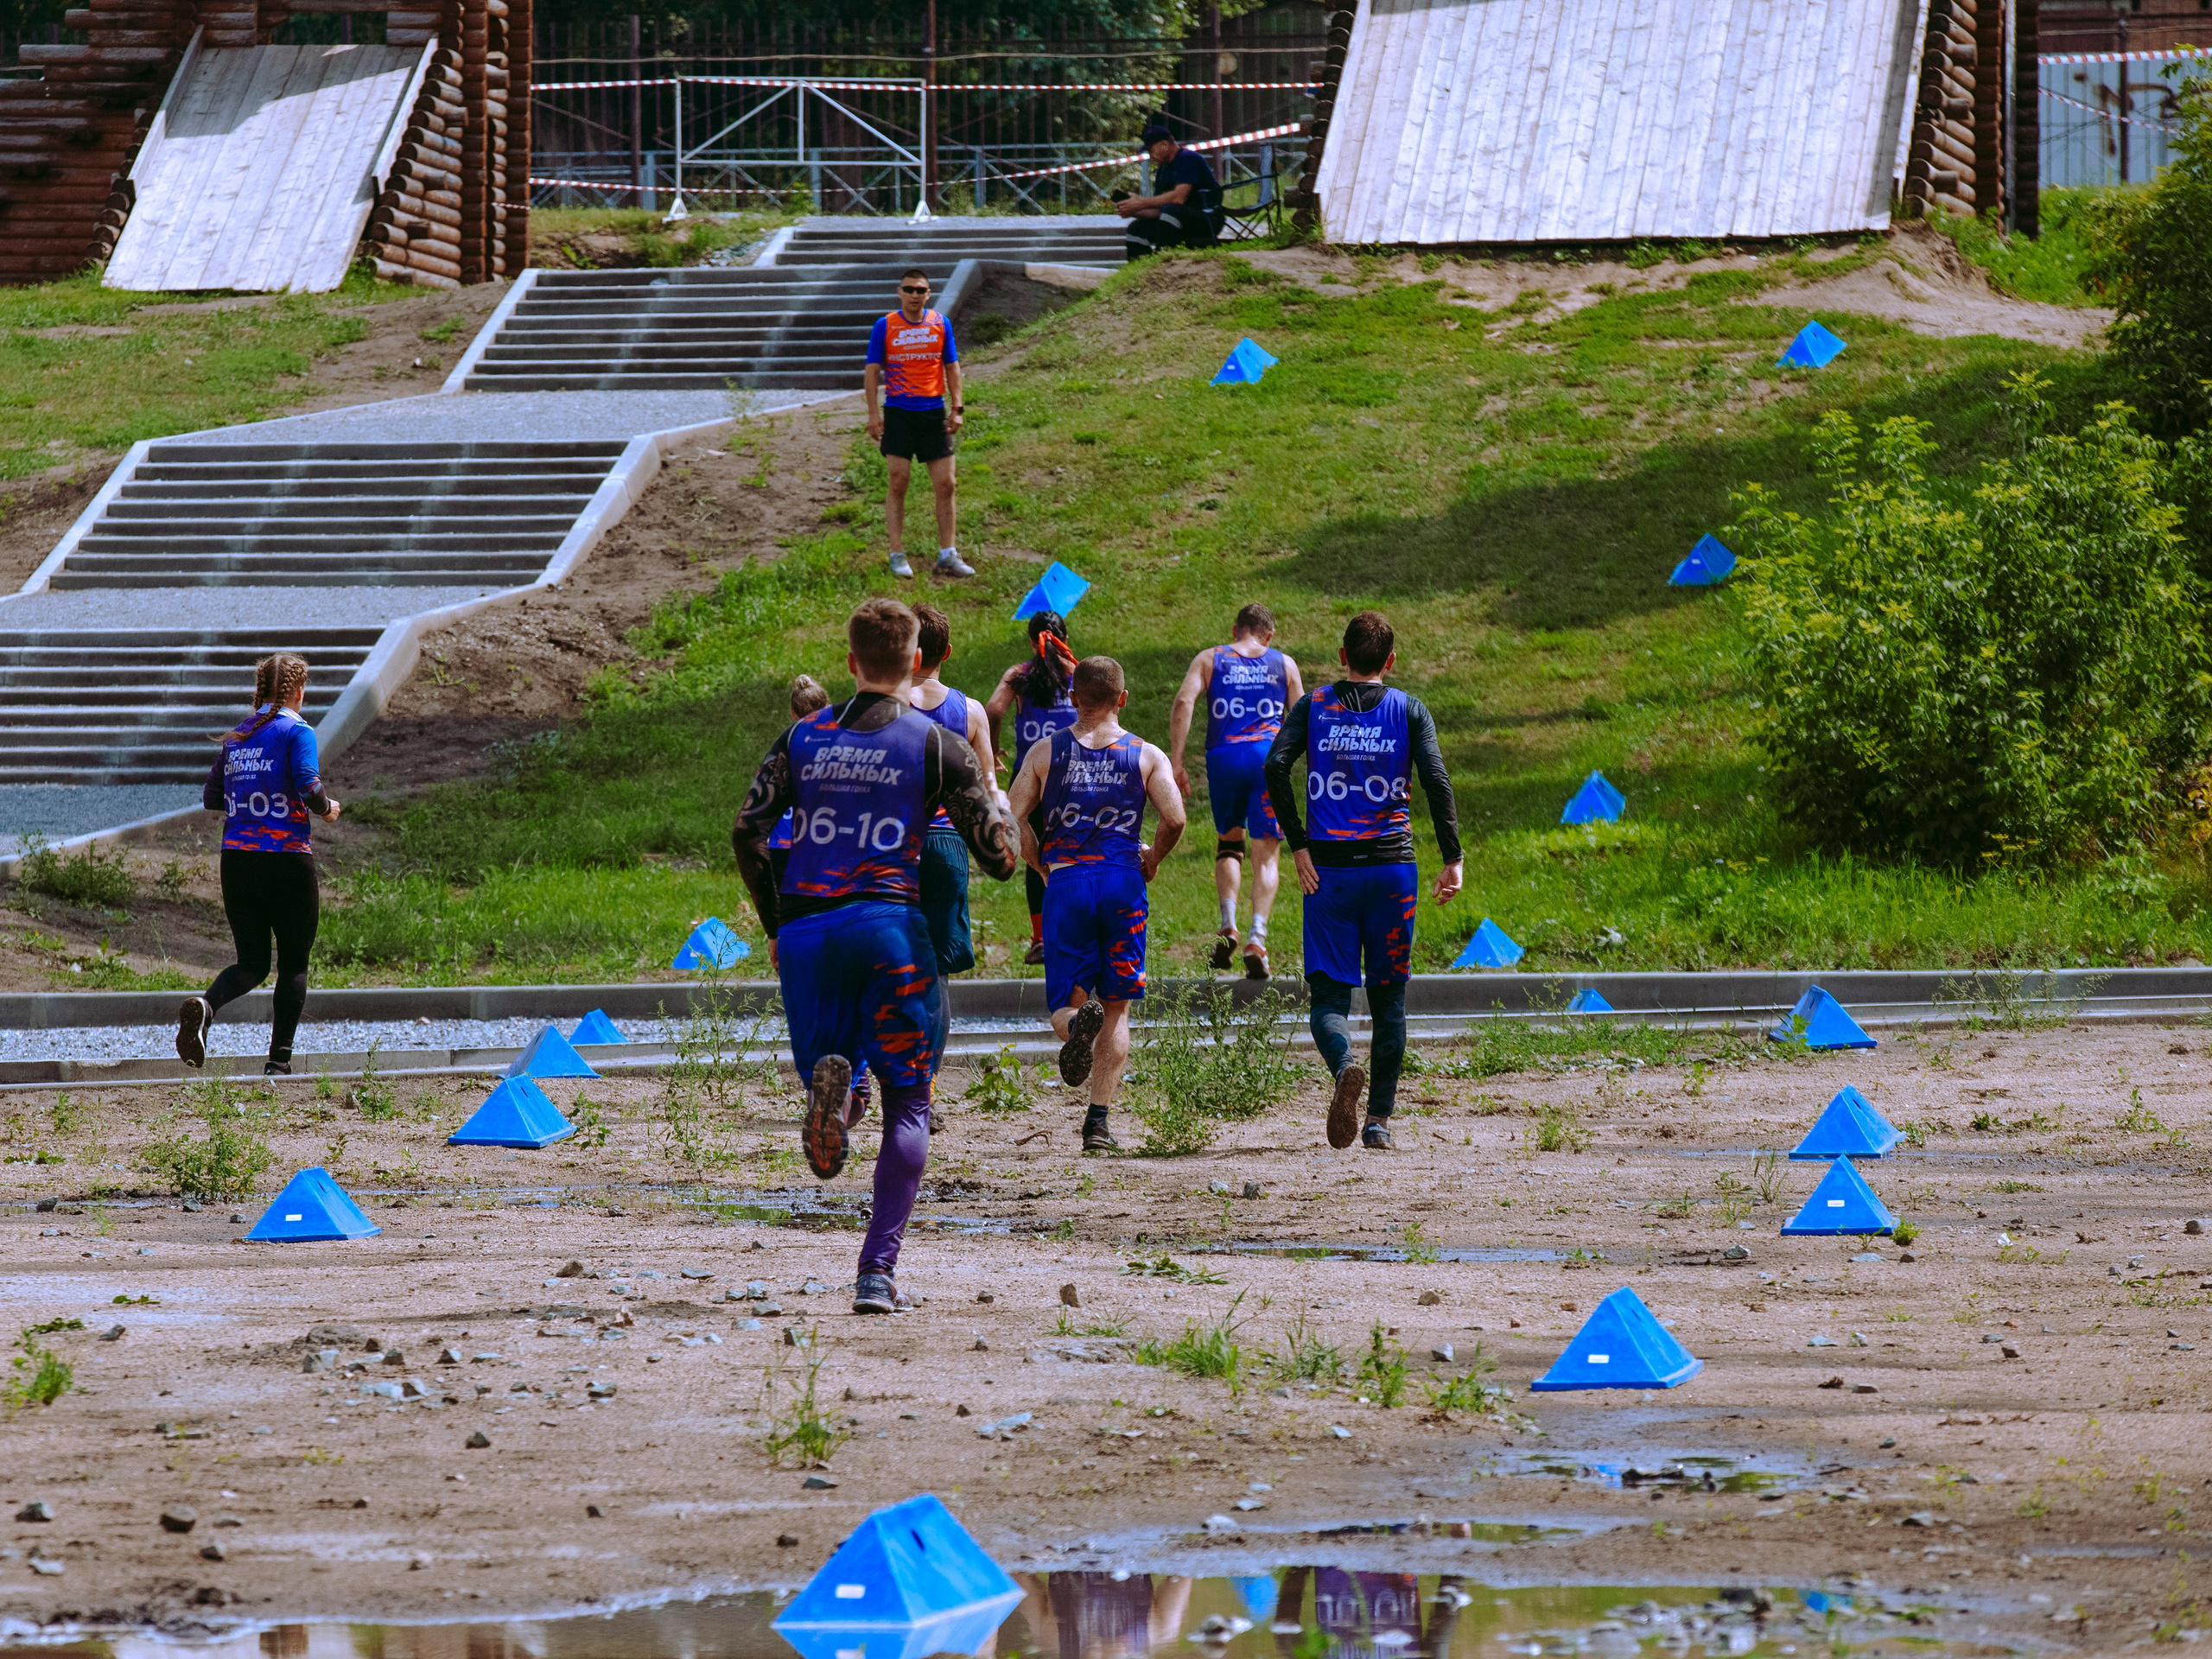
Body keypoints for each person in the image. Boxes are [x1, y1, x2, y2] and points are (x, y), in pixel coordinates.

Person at [731, 599, 1017, 1314]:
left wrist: (775, 919)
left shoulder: (800, 738)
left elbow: (747, 833)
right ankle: (876, 1273)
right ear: (917, 662)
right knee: (911, 1101)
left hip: (806, 933)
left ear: (852, 661)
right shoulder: (935, 744)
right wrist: (996, 803)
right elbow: (1003, 860)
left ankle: (833, 1090)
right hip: (890, 928)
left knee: (835, 1067)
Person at [1263, 611, 1462, 1152]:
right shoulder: (1409, 709)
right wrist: (1453, 857)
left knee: (1329, 998)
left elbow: (1275, 766)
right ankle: (1377, 1122)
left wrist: (1298, 843)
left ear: (1343, 656)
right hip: (1392, 870)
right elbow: (1437, 780)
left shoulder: (1315, 706)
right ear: (1390, 661)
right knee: (1389, 1001)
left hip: (1327, 872)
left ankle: (1345, 1063)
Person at [1005, 655, 1185, 1152]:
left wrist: (1041, 865)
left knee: (1066, 1004)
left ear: (1072, 698)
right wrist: (1154, 859)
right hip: (1122, 882)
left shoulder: (1045, 752)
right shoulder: (1146, 755)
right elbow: (1175, 818)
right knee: (1118, 1009)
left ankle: (1073, 1030)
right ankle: (1098, 1124)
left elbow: (1012, 817)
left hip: (1067, 884)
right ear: (1122, 699)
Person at [175, 652, 341, 1077]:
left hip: (238, 862)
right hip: (286, 862)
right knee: (293, 964)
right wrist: (326, 809)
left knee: (251, 962)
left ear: (260, 688)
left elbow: (212, 798)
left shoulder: (237, 737)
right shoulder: (296, 730)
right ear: (298, 691)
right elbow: (308, 784)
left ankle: (207, 1007)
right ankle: (278, 1063)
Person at [1167, 601, 1304, 979]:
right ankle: (1257, 938)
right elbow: (1302, 719)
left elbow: (1184, 701)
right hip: (1267, 757)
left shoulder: (1211, 659)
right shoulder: (1284, 663)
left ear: (1235, 631)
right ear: (1269, 635)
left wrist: (1176, 762)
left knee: (1229, 843)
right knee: (1267, 855)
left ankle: (1228, 925)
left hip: (1224, 757)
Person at [770, 674, 872, 1123]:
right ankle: (856, 1082)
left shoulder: (789, 759)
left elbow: (770, 851)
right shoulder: (857, 759)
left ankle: (826, 1093)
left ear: (793, 717)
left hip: (802, 911)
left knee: (812, 1002)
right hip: (856, 899)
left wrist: (775, 928)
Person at [907, 603, 999, 977]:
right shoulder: (971, 711)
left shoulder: (884, 706)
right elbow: (988, 790)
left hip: (895, 842)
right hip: (947, 842)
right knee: (938, 968)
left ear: (906, 650)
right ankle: (936, 1039)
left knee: (896, 960)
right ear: (946, 652)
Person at [863, 267, 972, 582]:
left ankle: (947, 554)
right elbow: (872, 371)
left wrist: (957, 408)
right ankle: (897, 554)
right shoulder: (886, 325)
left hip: (932, 411)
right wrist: (873, 414)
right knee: (899, 481)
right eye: (908, 289)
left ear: (928, 294)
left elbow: (952, 366)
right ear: (899, 292)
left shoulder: (940, 324)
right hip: (899, 412)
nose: (914, 295)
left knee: (946, 483)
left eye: (920, 290)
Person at [984, 609, 1078, 965]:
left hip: (1028, 775)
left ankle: (1041, 939)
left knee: (1033, 855)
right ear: (1064, 640)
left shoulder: (1019, 675)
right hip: (1072, 776)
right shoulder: (1076, 674)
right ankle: (1072, 932)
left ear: (1031, 640)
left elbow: (993, 711)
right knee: (1073, 850)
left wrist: (992, 753)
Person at [1115, 123, 1224, 261]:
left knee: (1171, 210)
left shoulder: (1188, 159)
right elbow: (1159, 210)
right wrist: (1133, 209)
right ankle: (1140, 270)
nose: (1150, 156)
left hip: (1206, 218)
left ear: (1165, 145)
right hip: (1176, 221)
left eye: (1151, 151)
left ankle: (1163, 261)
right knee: (1136, 228)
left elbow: (1178, 198)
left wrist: (1141, 202)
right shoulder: (1162, 170)